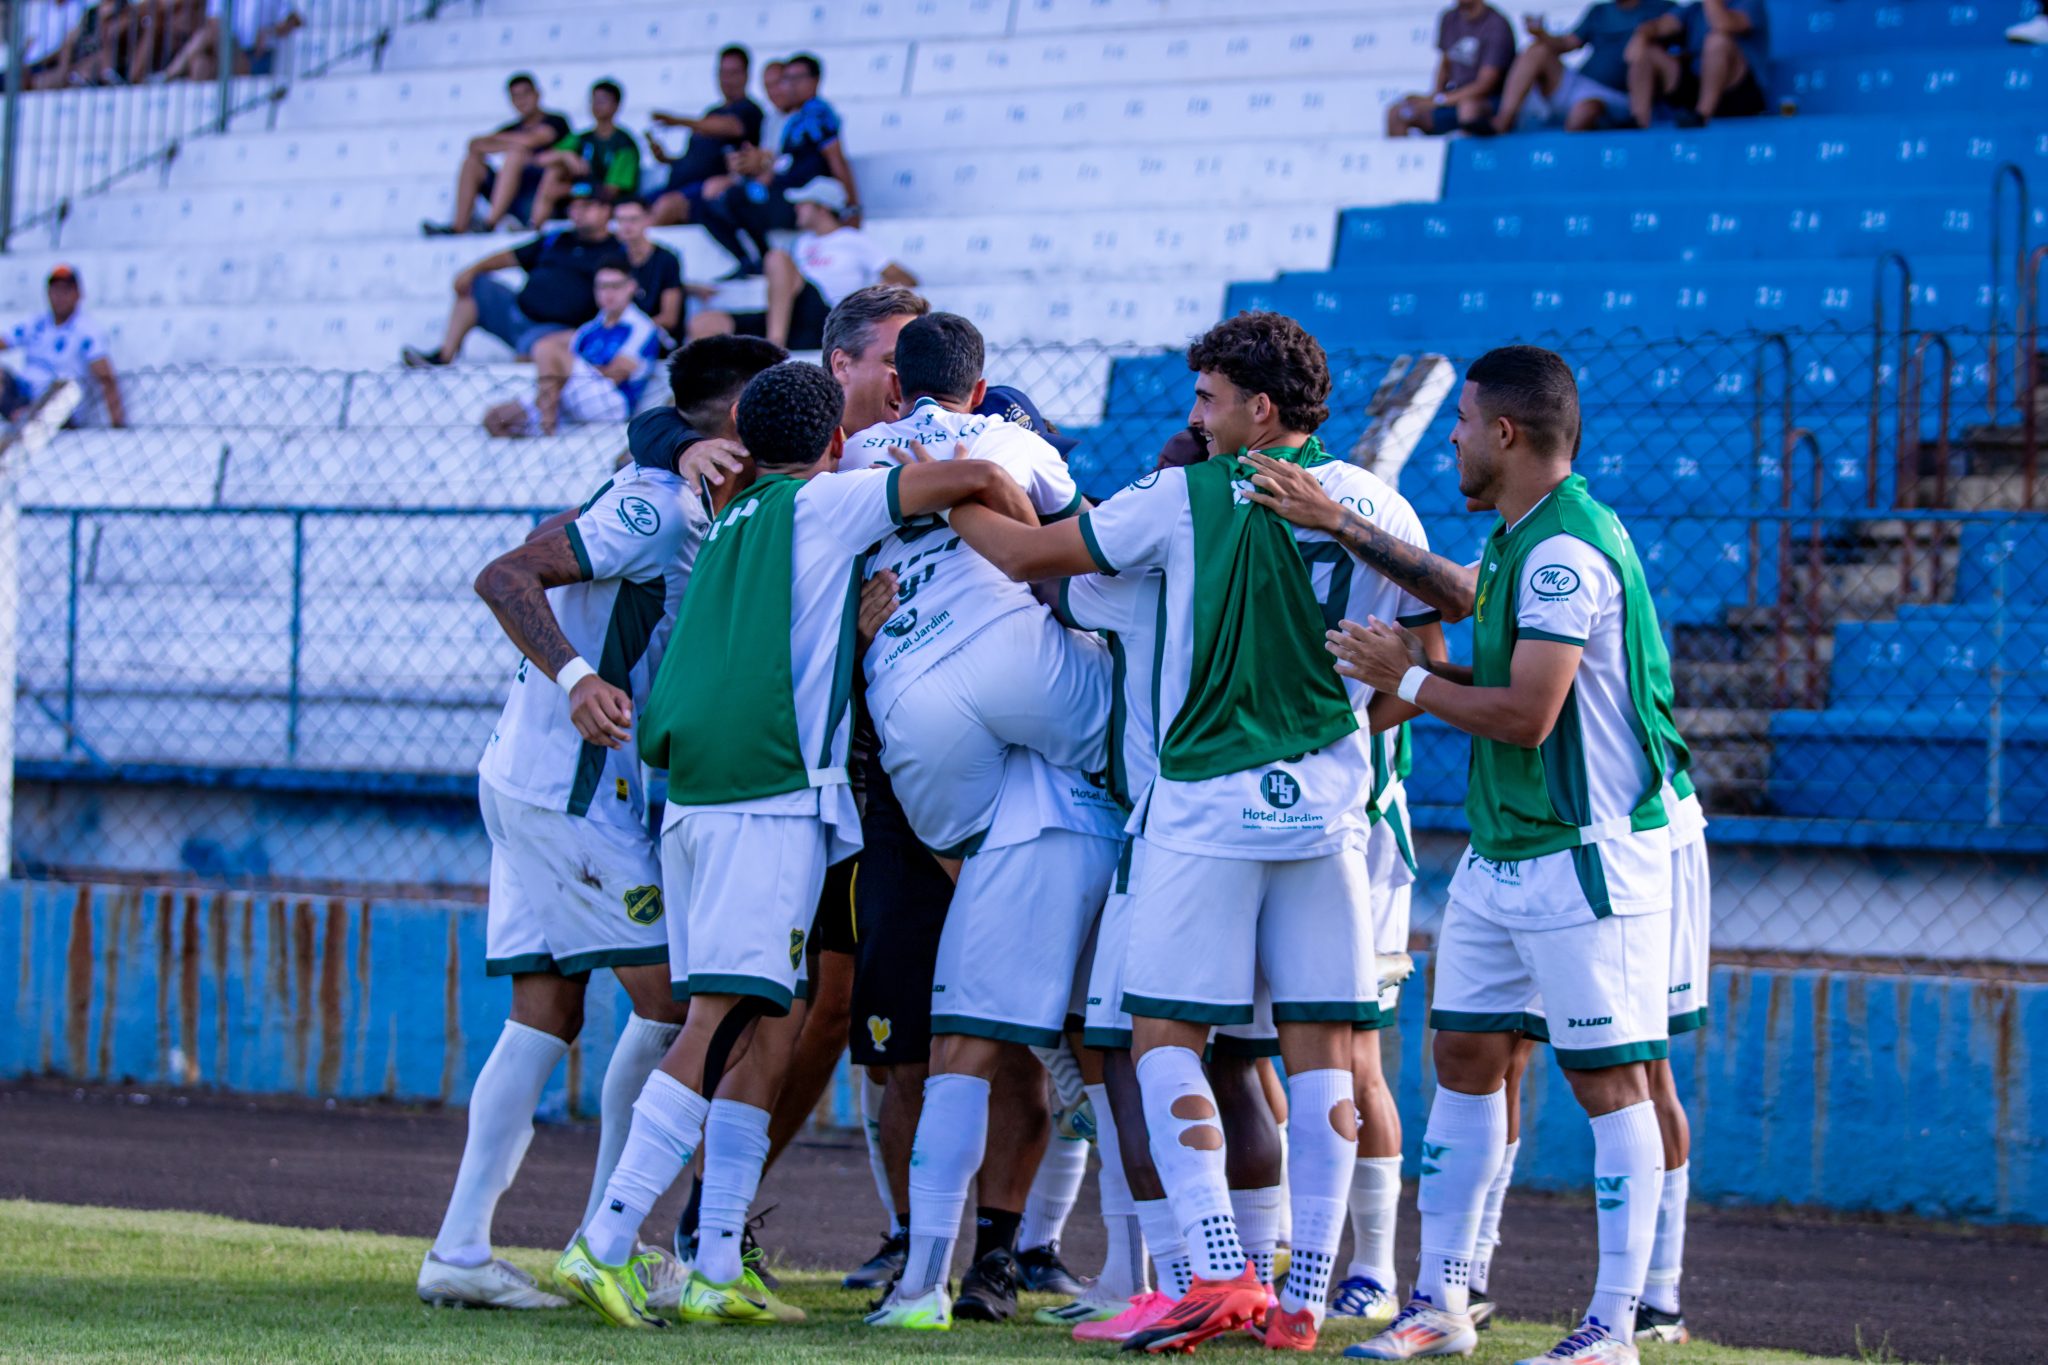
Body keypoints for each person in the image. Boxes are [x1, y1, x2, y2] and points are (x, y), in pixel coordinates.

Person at [934, 311, 1441, 1353]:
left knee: (1160, 1036)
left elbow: (1033, 554)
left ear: (1258, 410)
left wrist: (952, 494)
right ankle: (1302, 1297)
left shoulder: (1181, 497)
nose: (1193, 417)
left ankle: (1216, 1270)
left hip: (1203, 807)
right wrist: (1345, 726)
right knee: (1321, 1052)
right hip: (1330, 813)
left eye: (1206, 399)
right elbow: (1420, 657)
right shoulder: (1377, 503)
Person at [553, 361, 1039, 1330]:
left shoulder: (728, 513)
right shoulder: (825, 504)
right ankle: (602, 1241)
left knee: (763, 1030)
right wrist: (1033, 549)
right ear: (829, 448)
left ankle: (717, 1259)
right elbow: (975, 483)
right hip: (763, 804)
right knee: (723, 1024)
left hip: (695, 800)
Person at [1316, 346, 1676, 1365]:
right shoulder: (1521, 536)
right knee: (1464, 1060)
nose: (1454, 441)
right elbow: (1481, 632)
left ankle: (1611, 1327)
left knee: (1610, 1082)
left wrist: (1410, 679)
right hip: (1499, 852)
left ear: (1505, 435)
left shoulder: (1563, 552)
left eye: (1463, 423)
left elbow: (1526, 713)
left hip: (1584, 856)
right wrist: (1345, 529)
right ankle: (1439, 1304)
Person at [419, 337, 784, 1313]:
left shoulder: (669, 481)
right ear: (735, 411)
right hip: (571, 788)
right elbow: (507, 573)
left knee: (547, 1011)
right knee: (673, 1007)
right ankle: (601, 1241)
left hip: (537, 779)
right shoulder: (655, 499)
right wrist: (578, 680)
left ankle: (460, 1251)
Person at [402, 186, 619, 368]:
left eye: (586, 206)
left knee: (535, 352)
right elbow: (510, 256)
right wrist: (471, 270)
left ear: (606, 210)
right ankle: (444, 356)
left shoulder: (615, 252)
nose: (577, 212)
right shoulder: (556, 239)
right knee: (475, 286)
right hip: (517, 313)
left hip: (558, 330)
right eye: (574, 206)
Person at [688, 178, 915, 349]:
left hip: (826, 314)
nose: (796, 208)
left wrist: (872, 295)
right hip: (791, 316)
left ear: (822, 208)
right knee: (706, 322)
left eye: (803, 204)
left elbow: (906, 278)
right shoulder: (802, 242)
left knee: (776, 257)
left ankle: (774, 345)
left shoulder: (852, 240)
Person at [698, 53, 861, 275]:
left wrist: (852, 207)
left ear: (814, 80)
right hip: (788, 195)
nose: (788, 86)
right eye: (786, 80)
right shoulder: (788, 119)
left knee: (733, 200)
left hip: (807, 200)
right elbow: (779, 164)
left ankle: (764, 261)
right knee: (714, 203)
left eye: (795, 79)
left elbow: (836, 160)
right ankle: (759, 262)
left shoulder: (817, 114)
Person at [482, 260, 660, 437]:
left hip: (611, 401)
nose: (608, 293)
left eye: (615, 286)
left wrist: (559, 377)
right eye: (602, 287)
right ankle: (542, 418)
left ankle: (547, 426)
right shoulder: (590, 328)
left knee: (546, 348)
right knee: (495, 418)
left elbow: (616, 375)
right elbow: (563, 368)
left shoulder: (640, 326)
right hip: (576, 393)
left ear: (631, 287)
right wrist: (554, 383)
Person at [1486, 0, 1676, 134]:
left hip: (1623, 97)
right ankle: (1503, 121)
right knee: (1537, 51)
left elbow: (1674, 50)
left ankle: (1571, 167)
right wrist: (1542, 34)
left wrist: (1644, 36)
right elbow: (1569, 44)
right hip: (1583, 83)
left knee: (1583, 112)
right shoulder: (1599, 11)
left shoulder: (1661, 8)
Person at [421, 72, 573, 236]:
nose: (522, 100)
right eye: (516, 96)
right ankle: (458, 226)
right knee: (472, 162)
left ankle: (490, 223)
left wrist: (503, 143)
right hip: (512, 194)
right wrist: (515, 142)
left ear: (537, 94)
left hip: (541, 195)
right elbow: (475, 144)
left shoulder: (557, 120)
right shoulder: (511, 128)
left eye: (525, 94)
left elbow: (534, 140)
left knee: (516, 156)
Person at [647, 46, 764, 227]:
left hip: (706, 190)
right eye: (723, 73)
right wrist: (666, 159)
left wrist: (677, 121)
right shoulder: (711, 112)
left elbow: (730, 126)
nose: (727, 80)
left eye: (733, 73)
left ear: (746, 75)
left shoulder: (750, 111)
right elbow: (697, 158)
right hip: (678, 185)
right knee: (632, 207)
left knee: (665, 207)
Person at [1, 265, 125, 429]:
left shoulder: (87, 331)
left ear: (78, 294)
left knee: (60, 392)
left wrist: (118, 424)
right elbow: (5, 341)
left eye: (65, 291)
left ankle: (29, 417)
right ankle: (22, 415)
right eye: (55, 291)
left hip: (59, 403)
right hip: (25, 393)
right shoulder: (37, 323)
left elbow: (106, 377)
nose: (59, 297)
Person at [1625, 0, 1768, 129]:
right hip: (1697, 85)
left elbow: (1722, 23)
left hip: (1739, 91)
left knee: (1717, 41)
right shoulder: (1694, 9)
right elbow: (1661, 25)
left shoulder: (1749, 3)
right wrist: (1641, 36)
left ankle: (1702, 115)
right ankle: (1638, 120)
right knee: (1647, 53)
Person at [1387, 1, 1516, 137]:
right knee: (1398, 112)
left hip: (1488, 102)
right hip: (1453, 98)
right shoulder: (1449, 18)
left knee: (1468, 108)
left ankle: (1471, 157)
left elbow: (1485, 85)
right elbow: (1446, 63)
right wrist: (1434, 95)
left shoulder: (1496, 24)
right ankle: (1400, 158)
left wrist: (1439, 101)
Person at [530, 80, 641, 229]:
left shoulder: (624, 144)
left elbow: (611, 191)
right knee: (554, 170)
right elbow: (539, 159)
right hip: (577, 198)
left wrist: (571, 190)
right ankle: (535, 225)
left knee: (576, 197)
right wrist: (566, 156)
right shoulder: (582, 138)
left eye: (602, 101)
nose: (596, 105)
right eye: (593, 100)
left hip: (606, 203)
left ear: (616, 105)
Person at [161, 0, 300, 80]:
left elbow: (295, 20)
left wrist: (271, 31)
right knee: (200, 65)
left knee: (211, 33)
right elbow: (214, 21)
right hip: (227, 53)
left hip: (253, 58)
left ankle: (172, 71)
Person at [610, 199, 683, 342]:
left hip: (656, 336)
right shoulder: (613, 259)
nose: (626, 226)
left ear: (648, 220)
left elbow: (669, 317)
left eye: (633, 219)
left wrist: (633, 330)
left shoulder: (666, 259)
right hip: (618, 337)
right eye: (621, 220)